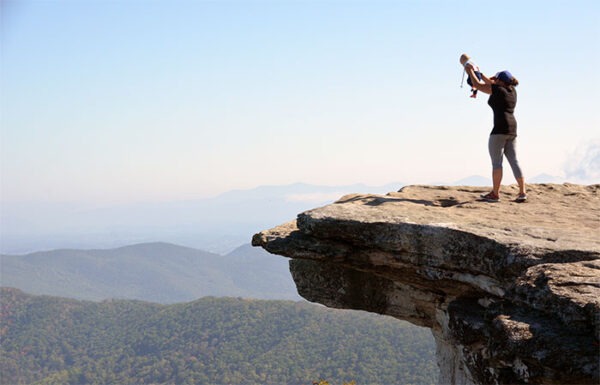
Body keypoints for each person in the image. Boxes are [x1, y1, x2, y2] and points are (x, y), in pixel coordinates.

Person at [464, 64, 527, 203]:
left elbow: (477, 84)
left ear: (499, 81)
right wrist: (478, 71)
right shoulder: (512, 91)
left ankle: (495, 194)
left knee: (497, 163)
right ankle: (522, 192)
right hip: (512, 129)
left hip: (499, 130)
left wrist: (469, 70)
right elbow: (490, 82)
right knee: (514, 161)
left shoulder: (497, 89)